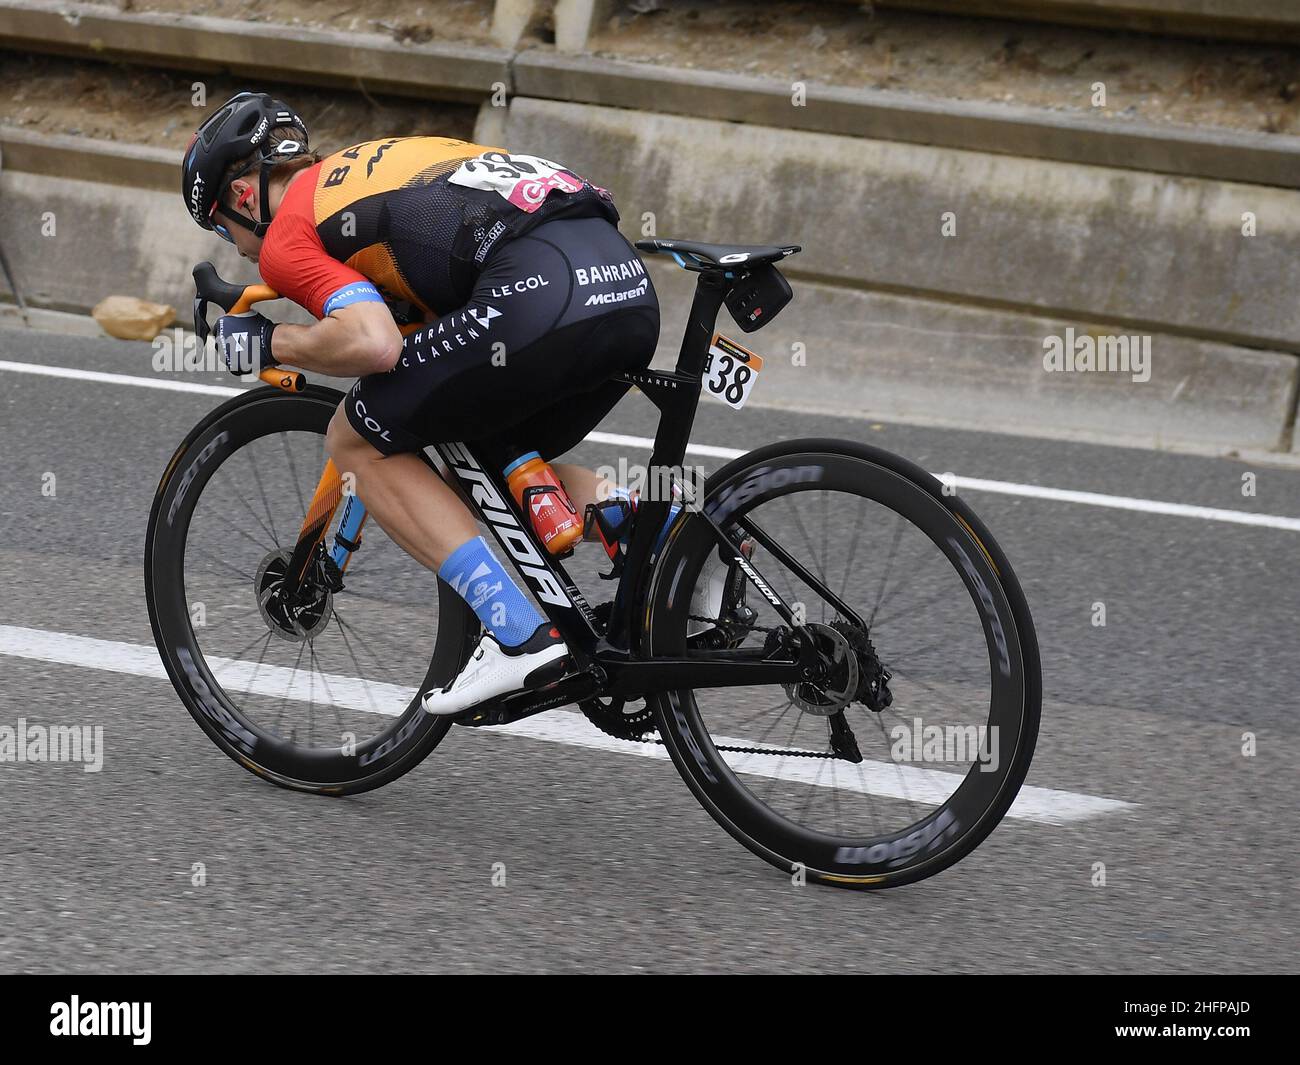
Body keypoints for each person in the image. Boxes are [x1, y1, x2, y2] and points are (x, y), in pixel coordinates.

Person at [181, 92, 661, 714]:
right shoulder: (375, 165)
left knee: (356, 442)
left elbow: (372, 342)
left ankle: (520, 637)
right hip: (623, 290)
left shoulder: (289, 228)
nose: (239, 250)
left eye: (222, 226)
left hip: (533, 292)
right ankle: (672, 541)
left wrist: (270, 340)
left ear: (244, 196)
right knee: (471, 454)